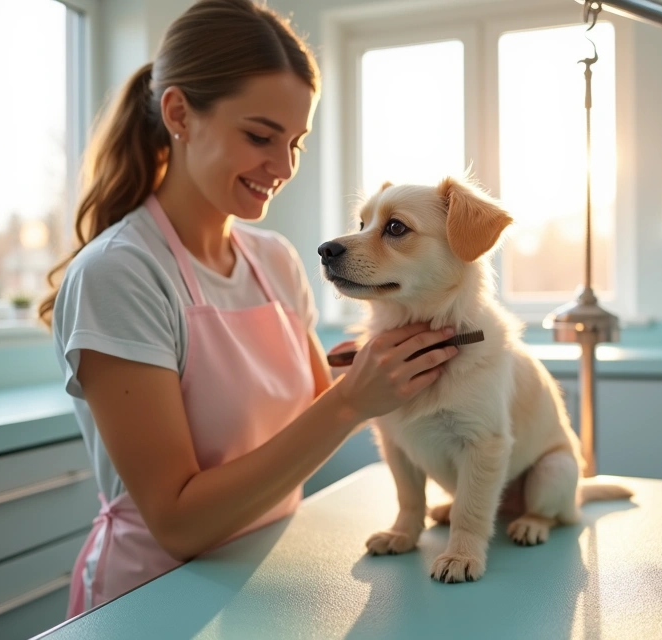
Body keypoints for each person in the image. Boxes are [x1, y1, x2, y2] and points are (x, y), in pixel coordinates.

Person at [39, 0, 459, 617]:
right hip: (152, 598)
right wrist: (352, 400)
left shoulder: (275, 260)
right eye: (261, 136)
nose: (283, 166)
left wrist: (414, 349)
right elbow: (178, 522)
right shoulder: (119, 274)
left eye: (295, 142)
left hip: (264, 575)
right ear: (179, 113)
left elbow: (316, 404)